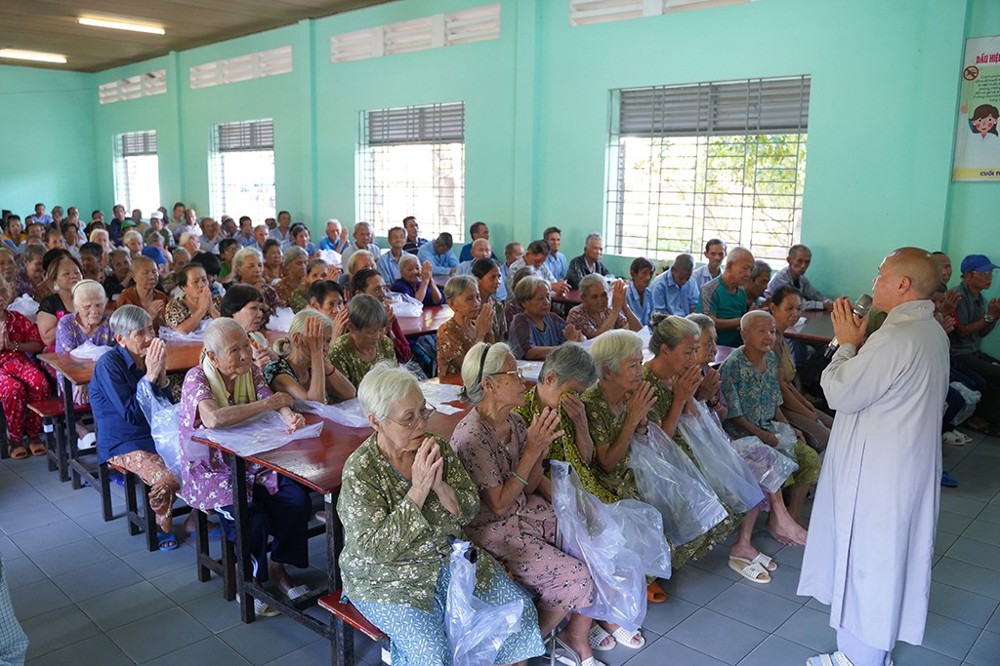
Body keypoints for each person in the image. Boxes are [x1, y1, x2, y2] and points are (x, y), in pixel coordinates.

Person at [798, 248, 949, 666]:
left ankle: (857, 659)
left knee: (869, 561)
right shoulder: (928, 330)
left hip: (879, 476)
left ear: (902, 284)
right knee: (886, 558)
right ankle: (870, 652)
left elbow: (841, 392)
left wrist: (847, 345)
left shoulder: (897, 337)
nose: (873, 281)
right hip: (900, 465)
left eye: (881, 274)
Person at [338, 363, 544, 666]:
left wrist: (439, 486)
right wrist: (418, 490)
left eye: (423, 411)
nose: (421, 424)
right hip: (388, 581)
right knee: (433, 654)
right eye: (408, 418)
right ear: (376, 422)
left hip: (448, 560)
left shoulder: (437, 448)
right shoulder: (361, 472)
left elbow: (469, 510)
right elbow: (375, 551)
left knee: (519, 612)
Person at [452, 342, 609, 664]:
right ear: (489, 385)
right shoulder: (471, 437)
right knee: (577, 578)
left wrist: (541, 456)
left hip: (525, 513)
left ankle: (542, 637)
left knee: (594, 540)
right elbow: (497, 505)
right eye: (513, 373)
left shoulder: (517, 422)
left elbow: (533, 481)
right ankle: (519, 647)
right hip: (493, 529)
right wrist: (532, 451)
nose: (523, 379)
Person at [178, 318, 311, 611]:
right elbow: (213, 418)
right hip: (213, 469)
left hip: (252, 460)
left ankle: (278, 565)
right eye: (234, 350)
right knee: (250, 516)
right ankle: (252, 580)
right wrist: (267, 406)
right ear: (212, 356)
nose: (244, 355)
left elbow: (272, 398)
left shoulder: (250, 371)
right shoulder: (196, 378)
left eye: (245, 347)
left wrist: (290, 417)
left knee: (296, 499)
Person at [90, 306, 184, 550]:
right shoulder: (108, 365)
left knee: (199, 460)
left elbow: (164, 408)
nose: (149, 338)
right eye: (140, 333)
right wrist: (151, 377)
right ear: (120, 339)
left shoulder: (147, 359)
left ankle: (195, 520)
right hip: (123, 441)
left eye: (150, 330)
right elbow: (131, 414)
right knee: (166, 477)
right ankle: (162, 526)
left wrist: (161, 377)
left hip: (153, 433)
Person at [719, 311, 822, 528]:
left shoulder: (771, 359)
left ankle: (792, 515)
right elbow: (734, 415)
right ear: (744, 334)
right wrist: (763, 435)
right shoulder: (732, 366)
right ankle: (777, 520)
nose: (769, 336)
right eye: (762, 331)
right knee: (780, 464)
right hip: (743, 435)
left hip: (769, 429)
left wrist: (788, 427)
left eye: (772, 331)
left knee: (810, 459)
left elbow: (775, 402)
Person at [768, 286, 833, 451]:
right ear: (773, 308)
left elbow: (788, 381)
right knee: (825, 438)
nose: (796, 314)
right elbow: (780, 387)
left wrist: (805, 403)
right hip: (777, 406)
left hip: (789, 399)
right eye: (789, 308)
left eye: (799, 308)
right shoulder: (771, 339)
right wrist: (806, 410)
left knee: (835, 426)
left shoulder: (783, 335)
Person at [0, 275, 49, 458]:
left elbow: (38, 344)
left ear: (9, 292)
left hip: (17, 361)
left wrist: (14, 346)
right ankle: (15, 439)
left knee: (40, 382)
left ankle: (34, 435)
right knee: (13, 389)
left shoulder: (16, 318)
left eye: (2, 291)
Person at [950, 253, 1000, 433]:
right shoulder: (957, 295)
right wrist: (989, 316)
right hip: (958, 353)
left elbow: (982, 332)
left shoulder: (981, 299)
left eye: (991, 273)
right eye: (985, 273)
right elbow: (962, 332)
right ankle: (983, 419)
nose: (989, 277)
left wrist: (994, 317)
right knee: (996, 374)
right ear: (969, 275)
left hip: (972, 350)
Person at [265, 308, 355, 403]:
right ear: (297, 339)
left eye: (328, 341)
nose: (325, 347)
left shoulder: (314, 365)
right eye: (318, 340)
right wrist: (316, 352)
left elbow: (349, 394)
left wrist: (321, 358)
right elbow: (314, 404)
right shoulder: (276, 370)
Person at [327, 294, 397, 388]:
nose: (377, 336)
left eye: (380, 330)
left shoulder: (386, 343)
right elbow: (343, 394)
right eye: (371, 332)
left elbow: (394, 379)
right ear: (352, 328)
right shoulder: (339, 350)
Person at [508, 277, 584, 360]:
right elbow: (530, 352)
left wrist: (578, 338)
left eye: (548, 297)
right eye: (540, 298)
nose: (547, 302)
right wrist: (567, 346)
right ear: (524, 302)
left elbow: (577, 335)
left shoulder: (552, 318)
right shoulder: (521, 321)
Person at [437, 275, 495, 376]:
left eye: (477, 297)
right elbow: (468, 368)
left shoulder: (477, 324)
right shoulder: (447, 330)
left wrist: (489, 331)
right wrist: (481, 334)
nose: (476, 304)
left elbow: (494, 359)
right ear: (452, 304)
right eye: (469, 299)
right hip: (457, 386)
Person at [350, 269, 412, 364]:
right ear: (359, 294)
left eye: (384, 288)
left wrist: (389, 332)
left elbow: (406, 357)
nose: (383, 294)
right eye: (377, 289)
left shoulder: (387, 315)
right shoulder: (350, 322)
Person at [698, 246, 755, 347]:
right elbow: (709, 323)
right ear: (729, 266)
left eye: (751, 270)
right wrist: (743, 321)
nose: (748, 274)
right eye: (746, 268)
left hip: (738, 347)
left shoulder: (741, 290)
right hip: (715, 348)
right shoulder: (710, 289)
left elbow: (742, 322)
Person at [220, 285, 276, 372]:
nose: (260, 314)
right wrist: (254, 369)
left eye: (260, 309)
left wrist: (275, 359)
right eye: (253, 308)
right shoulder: (221, 343)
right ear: (233, 311)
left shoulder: (258, 337)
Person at [567, 275, 642, 339]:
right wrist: (616, 309)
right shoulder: (576, 313)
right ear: (583, 298)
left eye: (603, 295)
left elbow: (639, 331)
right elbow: (598, 339)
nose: (600, 301)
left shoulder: (607, 310)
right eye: (594, 297)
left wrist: (625, 306)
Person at [764, 244, 833, 311]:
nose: (803, 266)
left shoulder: (802, 279)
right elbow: (796, 304)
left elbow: (815, 294)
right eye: (799, 261)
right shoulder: (781, 279)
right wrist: (823, 305)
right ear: (789, 260)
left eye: (807, 262)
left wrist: (829, 302)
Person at [36, 253, 83, 350]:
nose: (73, 276)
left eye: (77, 273)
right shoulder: (50, 303)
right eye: (67, 274)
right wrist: (75, 319)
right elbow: (47, 338)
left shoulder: (89, 299)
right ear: (55, 280)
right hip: (58, 353)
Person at [117, 255, 169, 332]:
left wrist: (160, 319)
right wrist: (149, 317)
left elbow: (168, 330)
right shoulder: (126, 298)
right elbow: (123, 330)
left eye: (154, 272)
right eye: (146, 273)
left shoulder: (161, 297)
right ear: (134, 276)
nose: (152, 277)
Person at [165, 264, 221, 334]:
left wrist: (211, 309)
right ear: (183, 287)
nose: (202, 285)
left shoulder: (218, 300)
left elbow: (229, 327)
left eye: (204, 280)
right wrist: (201, 310)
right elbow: (179, 332)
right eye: (195, 282)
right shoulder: (175, 306)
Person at [231, 247, 279, 321]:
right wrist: (253, 296)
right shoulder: (234, 293)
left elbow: (280, 316)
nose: (257, 270)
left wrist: (265, 306)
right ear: (238, 270)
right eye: (251, 266)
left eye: (260, 265)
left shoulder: (268, 290)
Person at [473, 257, 508, 342]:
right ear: (478, 280)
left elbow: (502, 337)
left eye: (499, 277)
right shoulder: (472, 308)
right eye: (492, 277)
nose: (498, 281)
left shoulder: (498, 305)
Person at [625, 257, 654, 327]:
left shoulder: (649, 294)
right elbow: (624, 324)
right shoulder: (625, 295)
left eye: (651, 273)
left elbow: (653, 319)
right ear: (633, 274)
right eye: (644, 273)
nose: (648, 277)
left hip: (648, 334)